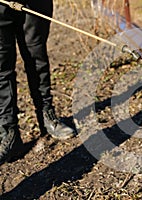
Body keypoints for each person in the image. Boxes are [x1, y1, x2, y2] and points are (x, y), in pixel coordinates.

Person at [0, 0, 76, 165]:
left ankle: (46, 115)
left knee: (37, 58)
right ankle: (8, 132)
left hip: (33, 4)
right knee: (2, 68)